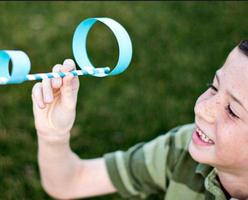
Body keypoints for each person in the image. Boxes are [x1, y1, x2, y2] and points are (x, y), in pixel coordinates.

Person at [31, 40, 248, 200]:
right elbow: (69, 183)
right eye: (213, 87)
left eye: (233, 111)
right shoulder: (182, 150)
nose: (202, 108)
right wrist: (53, 135)